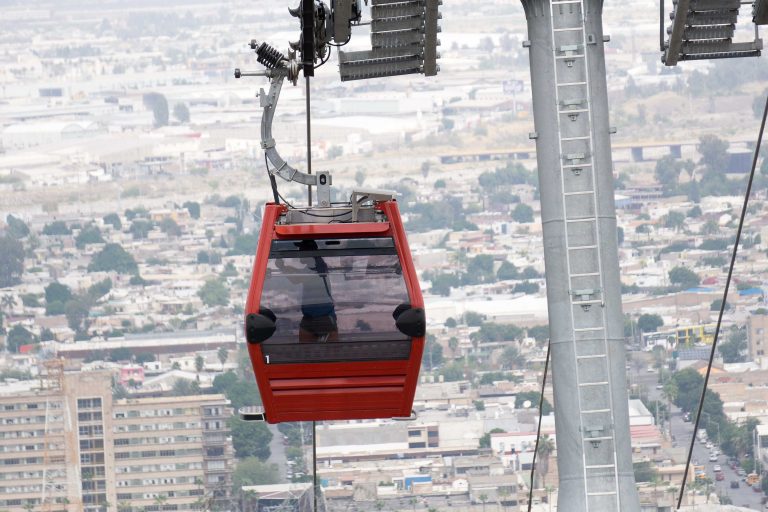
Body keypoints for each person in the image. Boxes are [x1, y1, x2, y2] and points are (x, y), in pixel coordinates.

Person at [276, 240, 338, 342]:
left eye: (301, 250)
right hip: (315, 315)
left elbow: (296, 279)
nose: (299, 253)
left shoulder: (315, 265)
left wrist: (282, 266)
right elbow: (299, 274)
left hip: (322, 316)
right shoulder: (316, 264)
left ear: (308, 252)